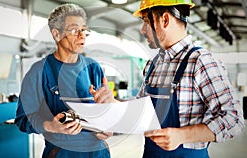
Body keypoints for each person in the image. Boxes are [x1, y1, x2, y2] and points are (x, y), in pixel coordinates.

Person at [90, 0, 245, 157]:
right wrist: (112, 104)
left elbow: (234, 118)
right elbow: (141, 114)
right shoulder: (153, 64)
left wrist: (182, 135)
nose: (143, 30)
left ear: (164, 20)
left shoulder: (201, 61)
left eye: (145, 22)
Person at [15, 3, 110, 158]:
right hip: (61, 153)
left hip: (98, 152)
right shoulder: (39, 72)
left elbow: (107, 112)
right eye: (74, 30)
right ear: (56, 34)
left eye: (84, 30)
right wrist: (50, 126)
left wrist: (108, 128)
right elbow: (23, 119)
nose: (81, 36)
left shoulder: (94, 68)